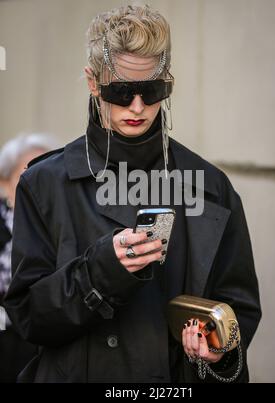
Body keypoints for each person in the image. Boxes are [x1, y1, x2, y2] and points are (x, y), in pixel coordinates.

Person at [4, 5, 261, 383]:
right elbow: (28, 317)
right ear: (93, 82)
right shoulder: (45, 183)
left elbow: (239, 312)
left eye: (151, 90)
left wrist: (219, 351)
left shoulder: (210, 188)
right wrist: (101, 270)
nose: (138, 107)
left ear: (167, 82)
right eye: (122, 92)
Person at [0, 134, 57, 382]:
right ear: (3, 182)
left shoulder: (59, 225)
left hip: (42, 334)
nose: (36, 183)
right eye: (27, 173)